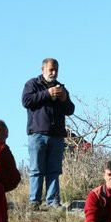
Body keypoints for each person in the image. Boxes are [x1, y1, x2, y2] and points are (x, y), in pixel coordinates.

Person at [22, 57, 75, 208]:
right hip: (37, 134)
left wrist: (64, 99)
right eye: (51, 69)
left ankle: (53, 202)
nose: (54, 72)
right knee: (37, 169)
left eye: (56, 70)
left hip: (57, 136)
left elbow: (70, 110)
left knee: (54, 170)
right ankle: (34, 202)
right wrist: (47, 93)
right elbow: (26, 101)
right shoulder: (32, 84)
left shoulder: (61, 87)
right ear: (42, 69)